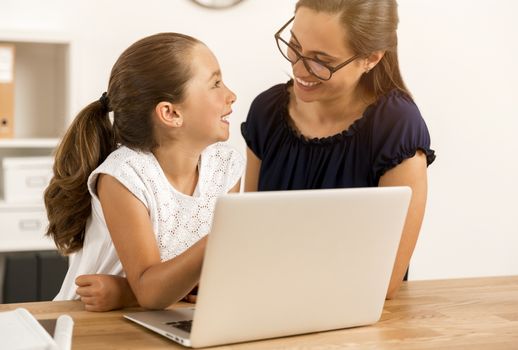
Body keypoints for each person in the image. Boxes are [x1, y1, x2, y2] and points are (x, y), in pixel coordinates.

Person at [240, 0, 435, 299]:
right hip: (267, 302)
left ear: (370, 58)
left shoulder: (395, 125)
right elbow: (250, 239)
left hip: (355, 319)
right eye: (294, 44)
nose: (297, 67)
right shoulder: (266, 112)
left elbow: (385, 282)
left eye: (321, 59)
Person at [44, 32, 244, 311]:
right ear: (171, 113)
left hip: (166, 314)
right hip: (91, 320)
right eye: (216, 84)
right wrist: (224, 236)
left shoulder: (226, 166)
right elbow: (150, 290)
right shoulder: (123, 176)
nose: (231, 95)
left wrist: (127, 292)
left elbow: (213, 273)